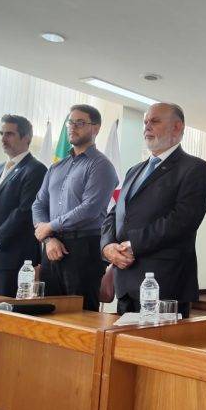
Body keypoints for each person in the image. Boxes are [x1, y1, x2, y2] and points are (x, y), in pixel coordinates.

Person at [101, 103, 206, 318]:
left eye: (155, 121)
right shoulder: (134, 170)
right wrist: (107, 246)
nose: (147, 127)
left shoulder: (195, 168)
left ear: (177, 127)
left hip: (165, 284)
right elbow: (114, 213)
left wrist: (133, 245)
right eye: (145, 122)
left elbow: (183, 220)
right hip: (125, 280)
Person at [32, 104, 118, 311]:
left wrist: (50, 227)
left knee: (80, 313)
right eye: (70, 122)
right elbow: (38, 204)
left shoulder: (101, 165)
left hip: (84, 249)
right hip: (51, 248)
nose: (73, 127)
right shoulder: (56, 167)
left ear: (95, 128)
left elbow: (90, 208)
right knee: (48, 310)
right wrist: (48, 237)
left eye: (80, 123)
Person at [0, 114, 47, 296]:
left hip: (14, 259)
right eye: (1, 133)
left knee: (7, 313)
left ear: (26, 138)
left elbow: (23, 212)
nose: (3, 139)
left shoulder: (36, 169)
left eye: (9, 134)